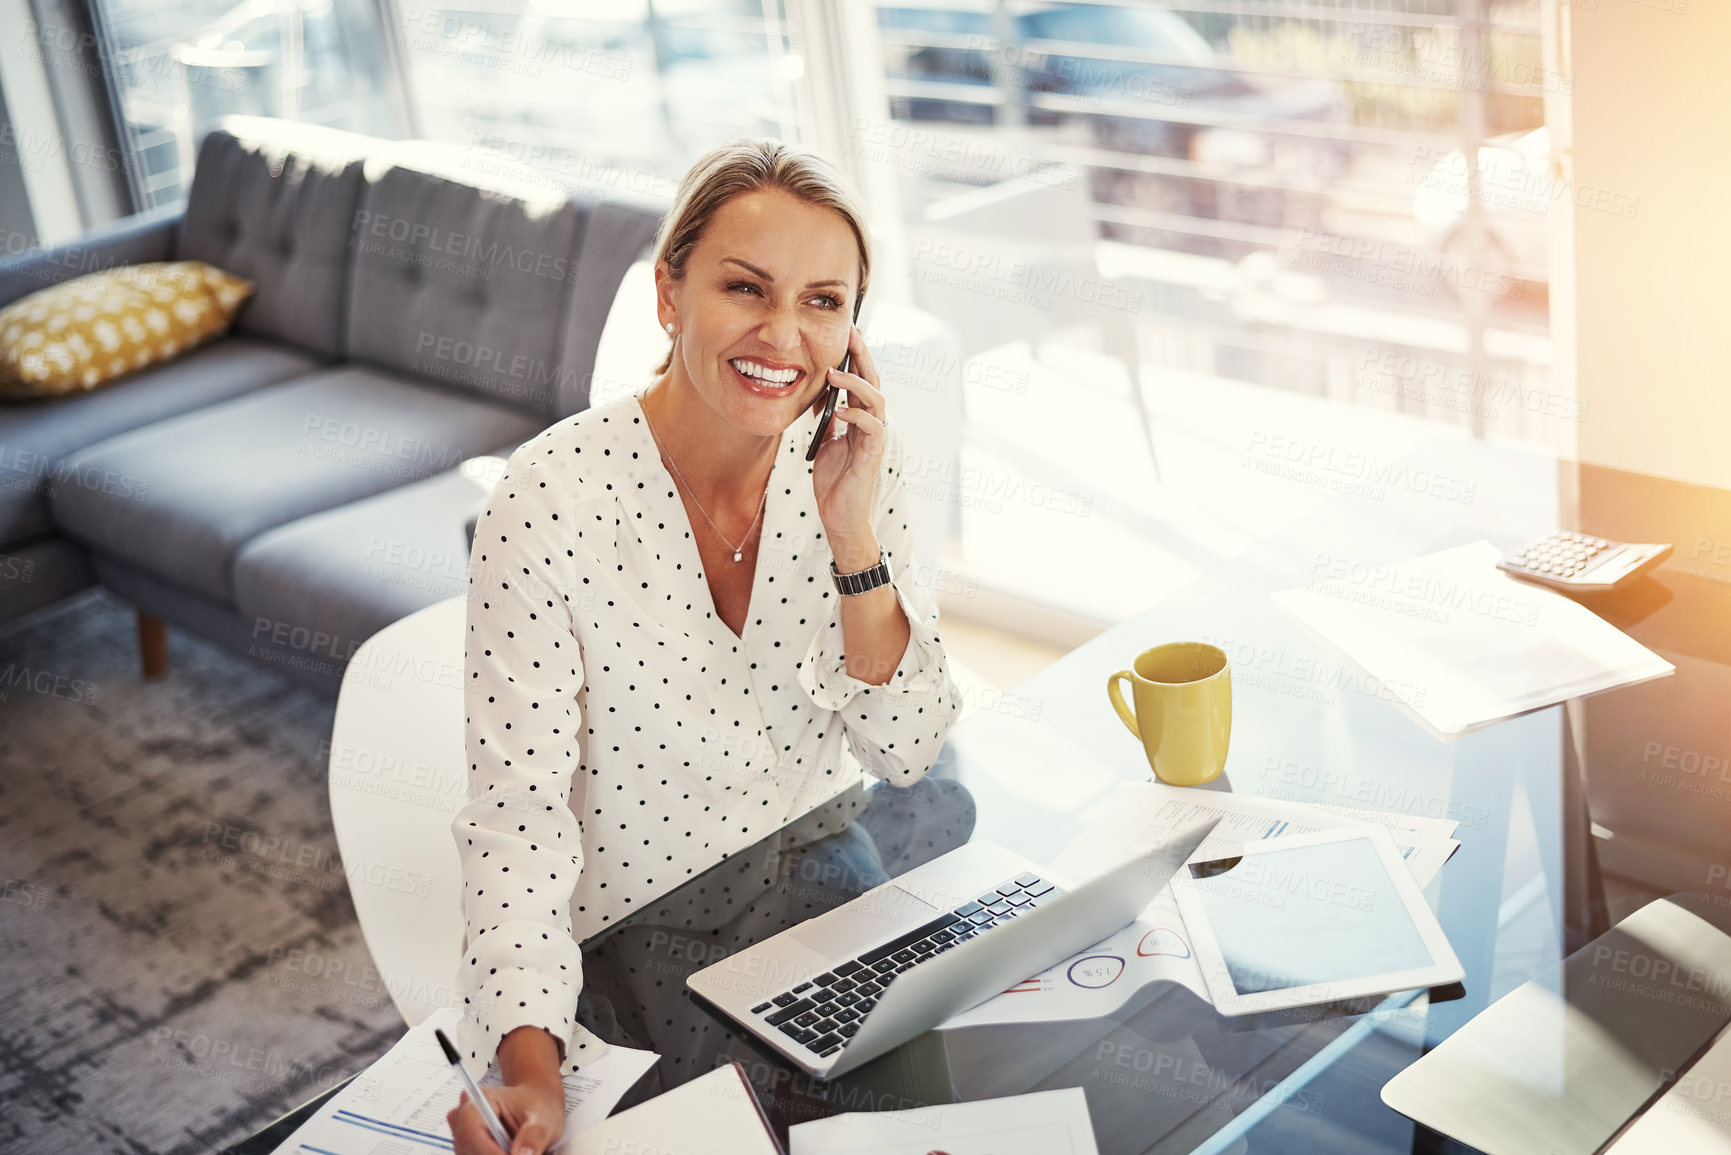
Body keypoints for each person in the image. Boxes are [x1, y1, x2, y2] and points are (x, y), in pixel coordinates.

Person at [446, 139, 965, 1155]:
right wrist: (532, 1079)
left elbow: (908, 748)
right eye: (745, 287)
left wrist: (853, 536)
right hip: (641, 943)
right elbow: (518, 823)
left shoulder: (855, 466)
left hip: (822, 891)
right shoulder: (549, 500)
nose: (784, 334)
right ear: (669, 295)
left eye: (824, 302)